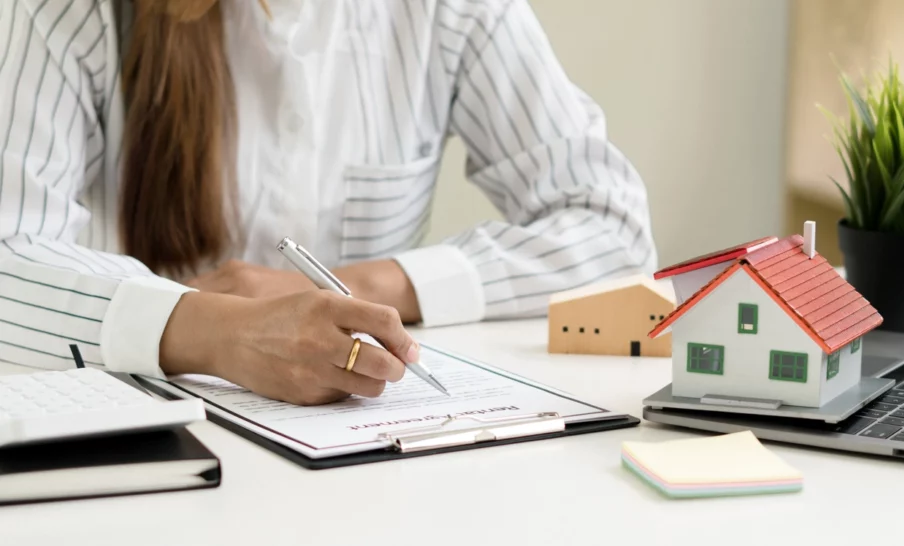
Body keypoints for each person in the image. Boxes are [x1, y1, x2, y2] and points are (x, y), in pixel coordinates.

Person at [0, 0, 656, 405]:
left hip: (369, 455)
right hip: (161, 451)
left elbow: (609, 222)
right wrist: (217, 331)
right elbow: (9, 257)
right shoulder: (71, 10)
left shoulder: (455, 11)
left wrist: (372, 286)